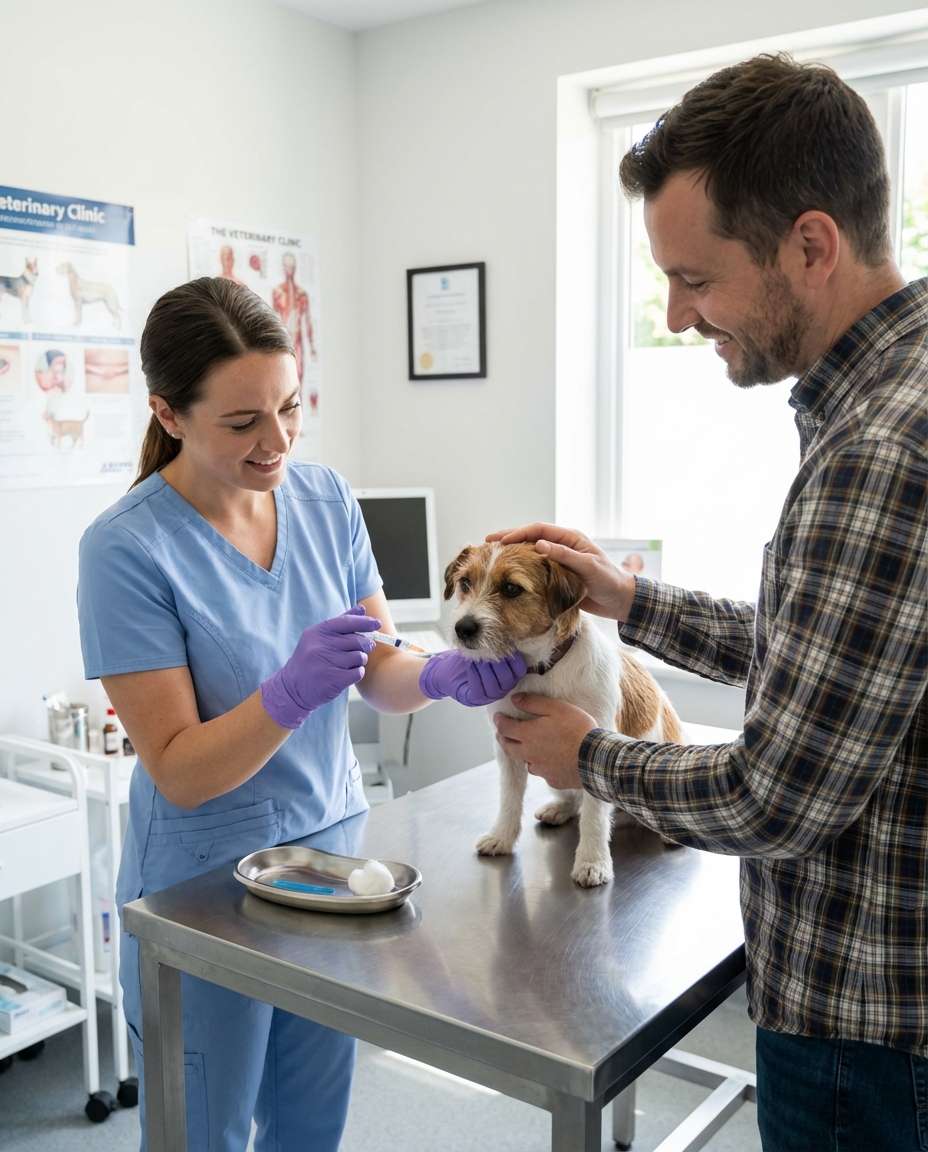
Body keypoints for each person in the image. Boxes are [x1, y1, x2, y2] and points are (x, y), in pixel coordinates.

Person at [490, 55, 926, 1152]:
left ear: (810, 245)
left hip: (864, 1029)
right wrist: (631, 598)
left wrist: (585, 758)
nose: (679, 317)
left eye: (694, 277)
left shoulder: (873, 451)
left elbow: (776, 798)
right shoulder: (896, 391)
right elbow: (834, 655)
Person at [77, 276, 525, 1152]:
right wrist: (286, 693)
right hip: (200, 884)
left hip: (331, 863)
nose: (276, 441)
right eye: (242, 423)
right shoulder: (126, 549)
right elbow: (177, 765)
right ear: (169, 415)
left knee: (311, 1123)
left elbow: (377, 667)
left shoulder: (324, 499)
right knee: (203, 1126)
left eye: (288, 408)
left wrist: (436, 677)